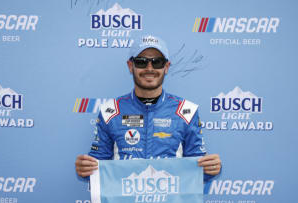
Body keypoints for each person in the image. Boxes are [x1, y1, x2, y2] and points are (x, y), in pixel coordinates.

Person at [75, 34, 221, 182]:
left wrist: (210, 169)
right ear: (130, 66)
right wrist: (85, 169)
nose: (149, 68)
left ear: (166, 67)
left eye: (157, 62)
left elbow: (196, 169)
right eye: (141, 62)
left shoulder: (186, 111)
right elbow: (97, 167)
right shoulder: (110, 111)